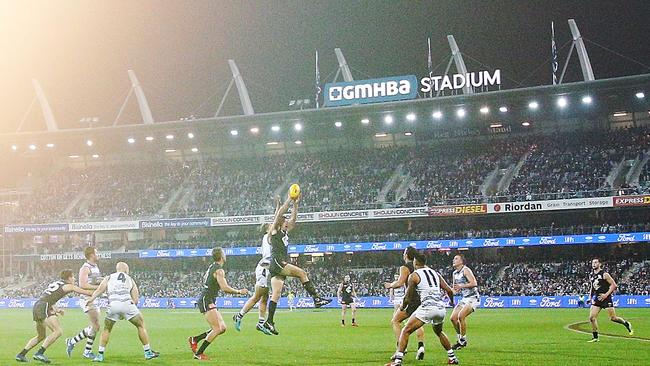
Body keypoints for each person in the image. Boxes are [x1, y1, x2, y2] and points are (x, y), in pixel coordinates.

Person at [262, 192, 331, 336]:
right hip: (278, 262)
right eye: (285, 220)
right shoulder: (274, 232)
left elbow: (293, 220)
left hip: (276, 266)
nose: (288, 222)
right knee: (302, 273)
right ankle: (316, 298)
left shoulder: (284, 232)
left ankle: (269, 321)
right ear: (280, 222)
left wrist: (296, 204)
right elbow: (280, 214)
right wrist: (289, 199)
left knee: (276, 294)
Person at [386, 253, 458, 366]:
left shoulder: (414, 275)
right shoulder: (435, 273)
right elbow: (449, 290)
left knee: (405, 331)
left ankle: (398, 361)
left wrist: (402, 307)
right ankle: (452, 357)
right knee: (439, 332)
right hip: (440, 308)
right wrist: (452, 302)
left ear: (415, 262)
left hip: (427, 308)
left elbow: (407, 296)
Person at [84, 262, 159, 362]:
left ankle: (100, 355)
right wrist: (127, 311)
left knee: (107, 329)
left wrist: (91, 299)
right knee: (140, 325)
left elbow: (99, 289)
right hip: (127, 304)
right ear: (125, 270)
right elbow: (135, 298)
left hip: (113, 305)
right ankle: (148, 352)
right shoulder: (130, 279)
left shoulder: (109, 277)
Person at [15, 269, 94, 364]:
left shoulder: (56, 283)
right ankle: (39, 353)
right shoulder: (68, 286)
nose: (74, 278)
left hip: (38, 305)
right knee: (58, 331)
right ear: (68, 278)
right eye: (73, 276)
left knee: (41, 336)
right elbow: (86, 292)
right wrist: (103, 289)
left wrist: (57, 310)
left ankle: (21, 354)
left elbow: (49, 297)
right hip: (44, 306)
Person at [188, 247, 249, 360]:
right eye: (224, 253)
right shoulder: (219, 270)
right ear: (221, 256)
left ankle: (195, 339)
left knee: (222, 328)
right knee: (217, 328)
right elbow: (224, 288)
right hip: (207, 299)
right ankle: (198, 354)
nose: (225, 255)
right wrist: (239, 291)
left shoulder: (212, 266)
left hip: (208, 298)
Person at [233, 198, 282, 335]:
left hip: (267, 268)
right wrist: (278, 206)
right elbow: (276, 219)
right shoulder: (269, 236)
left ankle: (261, 323)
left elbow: (276, 220)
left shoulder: (270, 237)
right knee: (257, 296)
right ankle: (239, 316)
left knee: (264, 297)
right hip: (264, 268)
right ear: (268, 228)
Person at [384, 247, 426, 360]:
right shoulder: (421, 266)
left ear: (406, 255)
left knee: (395, 321)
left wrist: (390, 285)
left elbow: (400, 282)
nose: (403, 255)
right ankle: (421, 347)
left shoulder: (405, 267)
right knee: (418, 322)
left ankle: (401, 349)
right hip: (423, 298)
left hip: (412, 298)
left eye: (404, 253)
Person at [66, 246, 103, 359]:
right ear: (92, 255)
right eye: (97, 252)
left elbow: (94, 280)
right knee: (96, 325)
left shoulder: (95, 267)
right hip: (87, 299)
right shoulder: (85, 268)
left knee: (94, 326)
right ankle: (85, 350)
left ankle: (72, 342)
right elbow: (83, 285)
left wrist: (102, 281)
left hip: (94, 298)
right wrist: (99, 287)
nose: (99, 254)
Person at [587, 258, 633, 342]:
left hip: (606, 298)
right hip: (597, 298)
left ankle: (626, 323)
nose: (593, 264)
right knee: (592, 318)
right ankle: (595, 337)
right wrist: (589, 297)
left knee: (613, 318)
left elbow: (614, 285)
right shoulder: (592, 275)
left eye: (596, 262)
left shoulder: (605, 274)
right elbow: (592, 287)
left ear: (600, 264)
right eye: (592, 262)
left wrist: (606, 295)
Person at [450, 254, 480, 350]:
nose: (453, 260)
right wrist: (448, 292)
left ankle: (463, 340)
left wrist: (461, 286)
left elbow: (474, 283)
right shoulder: (454, 273)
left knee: (460, 316)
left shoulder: (466, 270)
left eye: (456, 258)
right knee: (453, 318)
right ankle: (460, 339)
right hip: (464, 298)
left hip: (473, 298)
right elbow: (455, 289)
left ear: (461, 261)